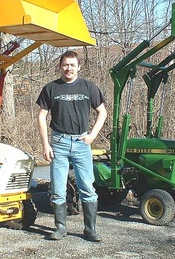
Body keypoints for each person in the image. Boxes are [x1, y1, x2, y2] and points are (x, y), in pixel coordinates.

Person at [37, 50, 107, 241]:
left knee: (87, 187)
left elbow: (102, 112)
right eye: (65, 65)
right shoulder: (51, 88)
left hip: (81, 143)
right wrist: (46, 145)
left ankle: (90, 229)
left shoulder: (88, 87)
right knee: (58, 189)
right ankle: (60, 227)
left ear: (78, 67)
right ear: (60, 66)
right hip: (58, 143)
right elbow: (42, 116)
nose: (69, 68)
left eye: (72, 65)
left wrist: (92, 136)